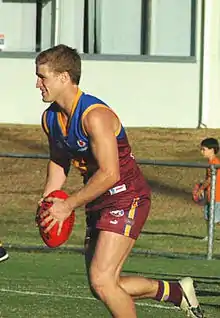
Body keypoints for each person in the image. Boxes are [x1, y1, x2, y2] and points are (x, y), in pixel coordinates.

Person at [35, 44, 204, 318]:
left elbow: (110, 173)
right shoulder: (50, 118)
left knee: (103, 281)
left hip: (127, 196)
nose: (37, 84)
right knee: (102, 283)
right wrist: (49, 201)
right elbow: (58, 162)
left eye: (43, 76)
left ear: (64, 77)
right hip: (98, 198)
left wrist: (69, 205)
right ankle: (175, 292)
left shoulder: (95, 116)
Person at [197, 138, 220, 241]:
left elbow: (210, 179)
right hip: (210, 195)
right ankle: (209, 235)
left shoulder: (214, 162)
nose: (202, 151)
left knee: (216, 219)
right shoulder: (209, 162)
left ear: (212, 149)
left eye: (204, 149)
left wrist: (201, 188)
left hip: (217, 196)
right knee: (208, 217)